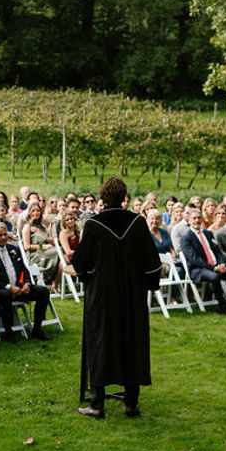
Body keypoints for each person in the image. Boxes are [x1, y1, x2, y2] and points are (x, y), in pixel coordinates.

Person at [71, 177, 161, 420]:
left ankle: (97, 404)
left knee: (101, 344)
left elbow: (79, 262)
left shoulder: (94, 225)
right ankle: (131, 402)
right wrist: (147, 284)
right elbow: (153, 264)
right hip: (132, 297)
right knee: (132, 343)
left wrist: (90, 275)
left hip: (103, 299)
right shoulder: (138, 224)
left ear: (102, 199)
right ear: (124, 197)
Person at [0, 222, 51, 343]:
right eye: (0, 235)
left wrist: (27, 284)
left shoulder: (13, 249)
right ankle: (8, 332)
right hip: (2, 290)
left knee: (43, 291)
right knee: (6, 295)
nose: (4, 237)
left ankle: (37, 329)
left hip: (20, 288)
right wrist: (9, 287)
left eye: (5, 234)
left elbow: (24, 269)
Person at [180, 207, 226, 313]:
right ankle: (222, 305)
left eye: (199, 218)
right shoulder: (186, 238)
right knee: (214, 276)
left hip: (217, 265)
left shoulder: (208, 234)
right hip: (198, 269)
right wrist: (214, 268)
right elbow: (195, 259)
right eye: (194, 218)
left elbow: (218, 251)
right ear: (189, 221)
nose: (197, 221)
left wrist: (222, 263)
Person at [21, 201, 62, 292]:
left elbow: (50, 240)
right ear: (29, 213)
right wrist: (42, 246)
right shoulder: (27, 226)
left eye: (38, 210)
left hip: (46, 252)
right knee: (58, 253)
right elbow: (26, 246)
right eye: (33, 211)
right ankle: (53, 283)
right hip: (34, 255)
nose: (36, 213)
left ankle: (55, 283)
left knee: (61, 256)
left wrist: (51, 231)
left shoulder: (43, 226)